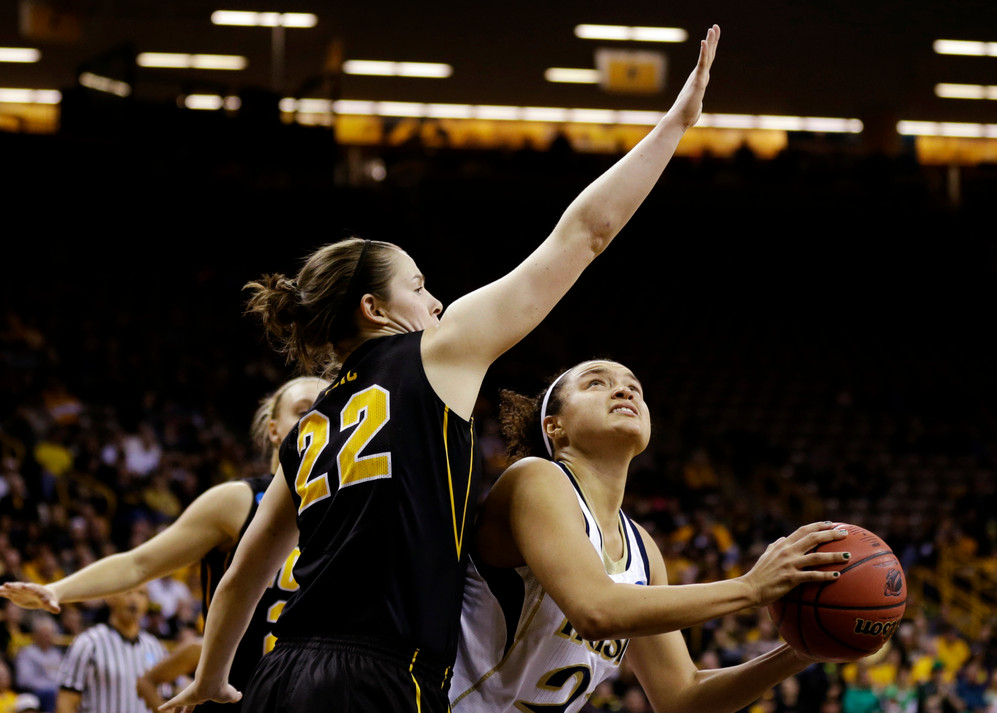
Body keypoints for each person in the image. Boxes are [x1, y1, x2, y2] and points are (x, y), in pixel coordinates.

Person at [160, 23, 726, 713]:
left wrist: (213, 675)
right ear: (374, 308)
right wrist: (673, 125)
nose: (436, 300)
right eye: (419, 285)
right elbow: (585, 233)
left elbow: (243, 575)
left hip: (283, 673)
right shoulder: (435, 352)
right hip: (381, 676)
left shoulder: (310, 429)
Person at [449, 359, 851, 712]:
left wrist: (802, 650)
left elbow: (683, 699)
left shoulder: (642, 549)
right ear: (555, 427)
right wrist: (750, 588)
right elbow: (597, 611)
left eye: (634, 388)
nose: (624, 388)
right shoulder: (535, 477)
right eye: (596, 382)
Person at [0, 376, 328, 712]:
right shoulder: (238, 501)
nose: (314, 420)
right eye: (302, 411)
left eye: (324, 410)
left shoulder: (345, 509)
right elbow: (138, 564)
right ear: (273, 430)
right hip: (236, 698)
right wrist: (58, 590)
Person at [55, 586, 166, 713]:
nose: (134, 599)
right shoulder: (89, 643)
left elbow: (163, 699)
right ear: (109, 597)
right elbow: (66, 702)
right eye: (128, 592)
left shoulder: (155, 647)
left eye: (141, 593)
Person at [13, 615, 63, 713]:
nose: (47, 638)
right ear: (35, 635)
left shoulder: (56, 654)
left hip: (56, 690)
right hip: (35, 692)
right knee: (52, 693)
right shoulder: (26, 653)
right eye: (43, 635)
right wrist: (50, 685)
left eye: (49, 634)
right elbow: (23, 680)